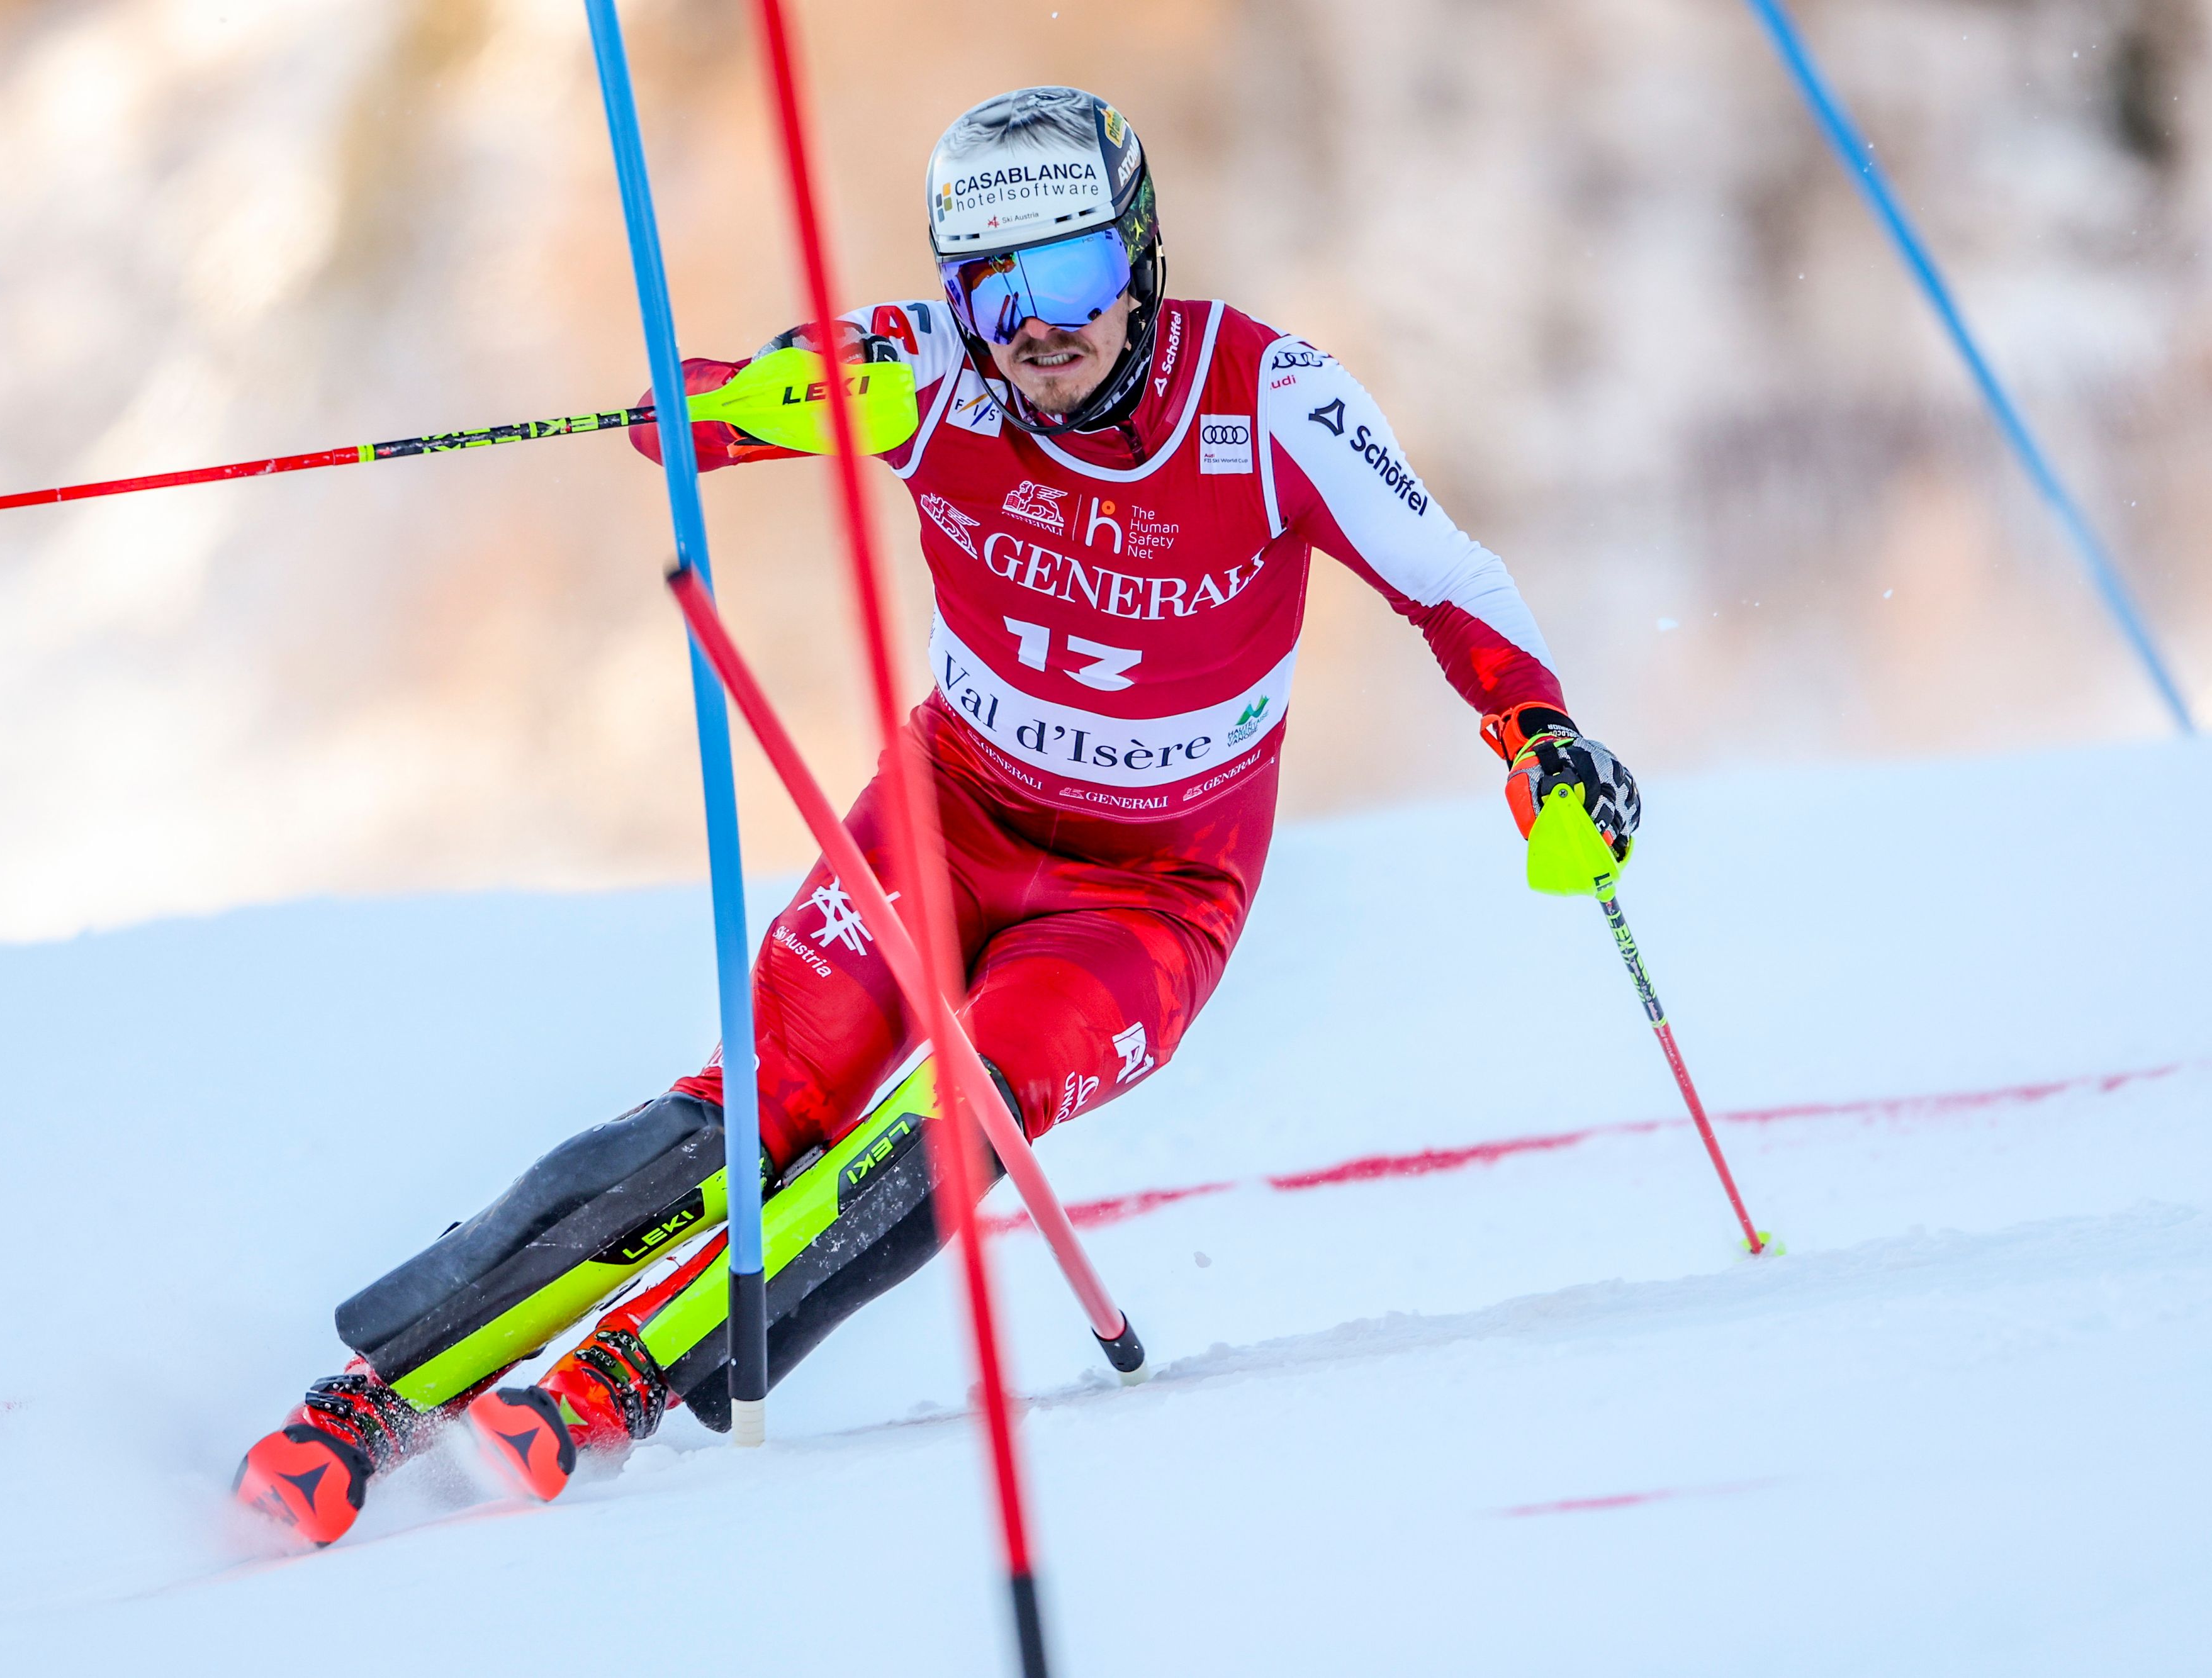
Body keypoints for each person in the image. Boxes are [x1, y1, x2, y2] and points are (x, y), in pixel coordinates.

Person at [233, 84, 1640, 1545]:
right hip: (944, 819)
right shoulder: (930, 374)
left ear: (1140, 254)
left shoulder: (1270, 401)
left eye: (1076, 273)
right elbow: (680, 422)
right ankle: (374, 1395)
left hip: (1147, 897)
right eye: (991, 289)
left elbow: (1450, 577)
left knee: (962, 1109)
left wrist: (1538, 738)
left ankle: (620, 1380)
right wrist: (736, 398)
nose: (1038, 326)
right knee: (760, 1101)